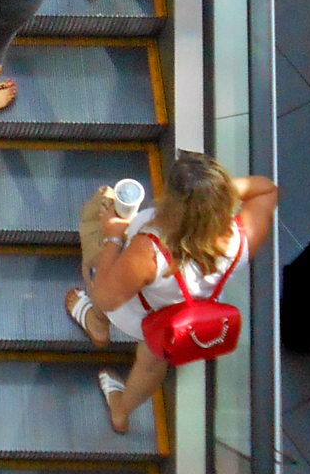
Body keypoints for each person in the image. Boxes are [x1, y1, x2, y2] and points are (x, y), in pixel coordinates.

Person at [65, 152, 277, 435]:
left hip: (136, 314)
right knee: (151, 366)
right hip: (176, 325)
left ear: (175, 205)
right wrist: (211, 192)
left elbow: (106, 296)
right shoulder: (245, 235)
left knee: (98, 271)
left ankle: (98, 324)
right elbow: (266, 189)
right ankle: (121, 411)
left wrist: (114, 235)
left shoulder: (149, 252)